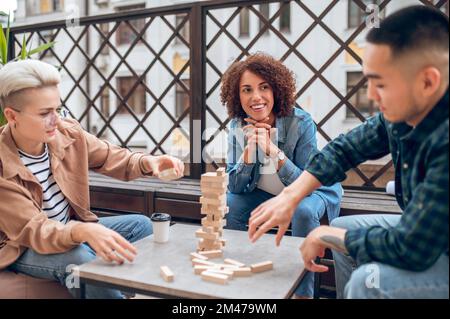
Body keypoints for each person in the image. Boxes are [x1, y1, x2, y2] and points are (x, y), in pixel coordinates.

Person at [247, 6, 449, 298]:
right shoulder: (399, 117)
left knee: (369, 280)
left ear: (428, 82)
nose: (369, 95)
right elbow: (344, 150)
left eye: (380, 84)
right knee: (342, 228)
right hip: (431, 236)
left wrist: (328, 235)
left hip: (432, 245)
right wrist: (291, 196)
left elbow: (412, 247)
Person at [0, 59, 185, 299]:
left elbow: (111, 156)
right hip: (23, 247)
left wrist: (148, 162)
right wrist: (82, 232)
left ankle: (117, 291)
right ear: (12, 116)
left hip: (68, 227)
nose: (56, 120)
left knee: (141, 226)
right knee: (80, 259)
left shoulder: (67, 133)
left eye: (57, 109)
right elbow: (36, 230)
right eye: (45, 113)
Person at [221, 53, 342, 298]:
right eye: (246, 90)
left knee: (303, 211)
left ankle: (302, 293)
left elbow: (308, 182)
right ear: (237, 96)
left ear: (276, 90)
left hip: (312, 190)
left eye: (263, 87)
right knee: (229, 205)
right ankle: (242, 278)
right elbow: (234, 186)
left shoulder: (301, 122)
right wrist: (248, 152)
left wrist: (272, 150)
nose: (255, 97)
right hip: (265, 194)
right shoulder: (237, 125)